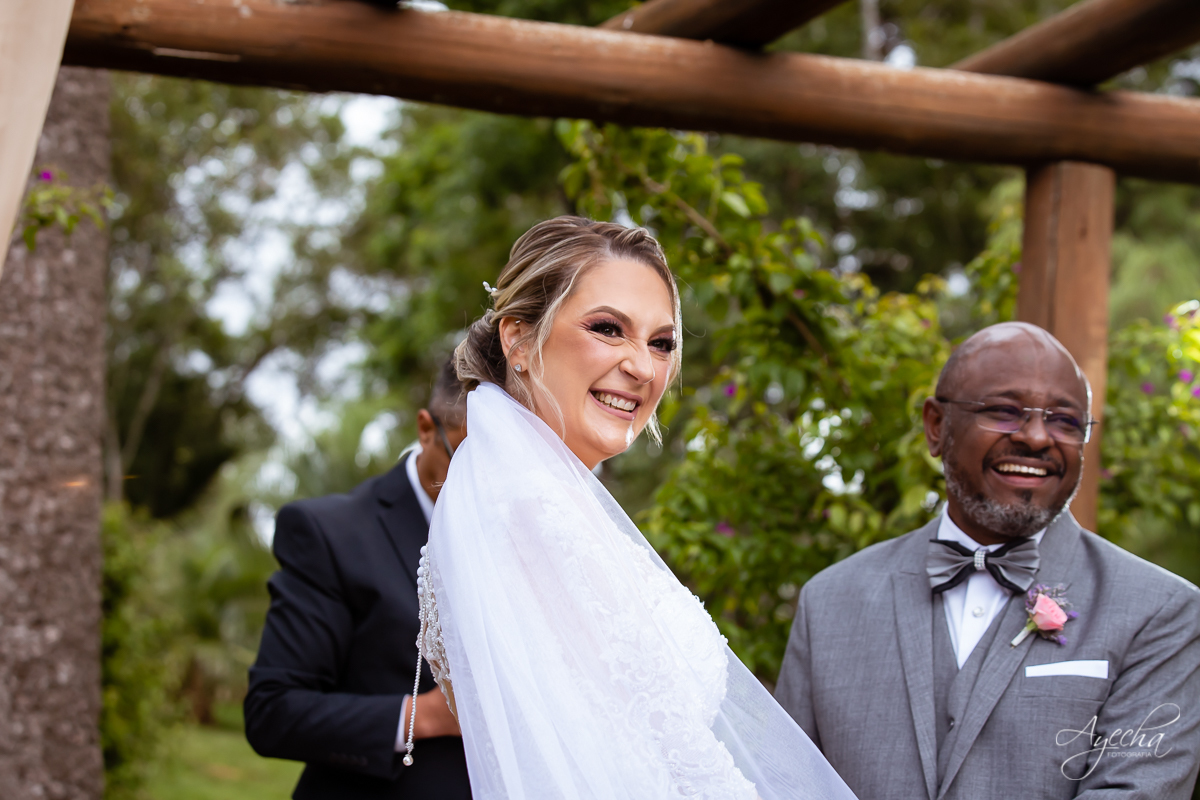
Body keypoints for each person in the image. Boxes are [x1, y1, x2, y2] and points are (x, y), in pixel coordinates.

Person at [406, 216, 856, 800]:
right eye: (608, 329)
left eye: (661, 343)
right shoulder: (528, 512)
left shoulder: (536, 499)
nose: (644, 367)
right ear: (518, 339)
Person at [775, 322, 1200, 800]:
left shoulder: (1160, 611)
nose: (1037, 437)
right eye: (1004, 411)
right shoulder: (828, 603)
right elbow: (785, 786)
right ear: (936, 427)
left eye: (1065, 420)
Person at [244, 360, 472, 799]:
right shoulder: (330, 533)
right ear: (426, 430)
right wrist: (427, 716)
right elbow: (272, 711)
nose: (483, 484)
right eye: (465, 458)